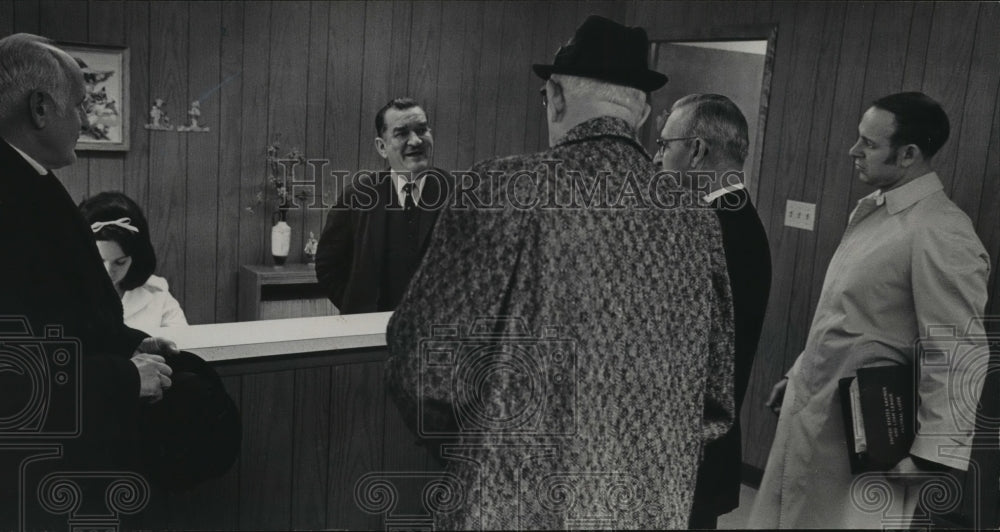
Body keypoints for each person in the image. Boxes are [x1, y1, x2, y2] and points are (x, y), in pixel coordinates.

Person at [384, 16, 735, 529]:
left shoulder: (502, 186)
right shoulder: (697, 216)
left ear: (555, 96)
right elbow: (716, 394)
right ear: (642, 110)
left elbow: (422, 363)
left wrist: (479, 450)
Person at [748, 92, 990, 529]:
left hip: (870, 438)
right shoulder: (878, 213)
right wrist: (800, 374)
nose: (853, 151)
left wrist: (931, 456)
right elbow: (847, 319)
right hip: (820, 410)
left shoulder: (940, 230)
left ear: (909, 154)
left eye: (869, 144)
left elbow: (957, 350)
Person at [0, 33, 176, 528]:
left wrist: (136, 341)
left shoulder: (30, 182)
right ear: (40, 108)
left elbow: (63, 316)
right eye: (79, 106)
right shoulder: (11, 198)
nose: (86, 120)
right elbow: (12, 371)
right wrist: (123, 377)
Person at [654, 94, 771, 529]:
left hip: (684, 454)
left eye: (666, 145)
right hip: (699, 450)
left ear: (698, 151)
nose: (656, 157)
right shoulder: (736, 220)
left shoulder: (712, 231)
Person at [315, 97, 449, 314]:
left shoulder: (459, 195)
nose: (416, 141)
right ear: (382, 147)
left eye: (422, 130)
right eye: (402, 133)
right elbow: (328, 265)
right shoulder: (357, 196)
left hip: (437, 333)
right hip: (372, 336)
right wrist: (358, 307)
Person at [80, 191, 188, 331]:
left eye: (120, 262)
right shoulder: (62, 292)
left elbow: (181, 341)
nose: (108, 272)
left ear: (135, 258)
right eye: (99, 261)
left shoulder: (157, 293)